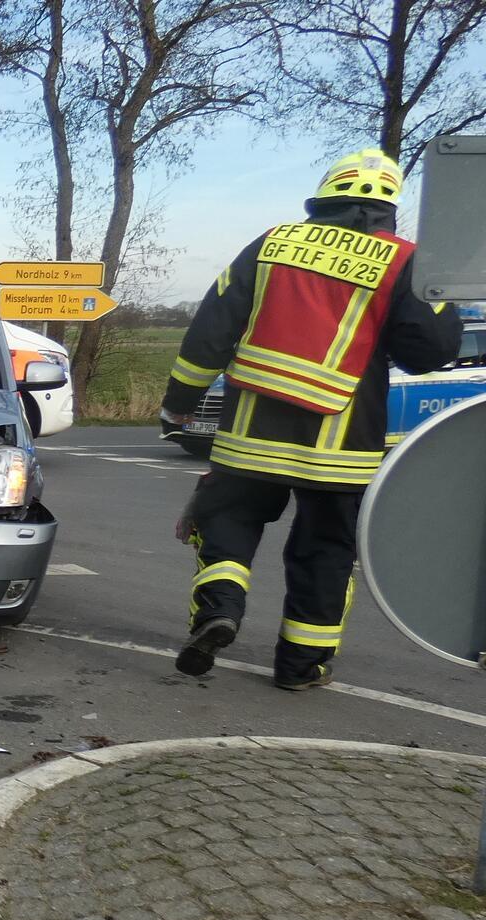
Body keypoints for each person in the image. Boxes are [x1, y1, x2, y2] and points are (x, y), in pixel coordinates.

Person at [161, 149, 459, 690]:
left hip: (250, 433)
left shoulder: (274, 244)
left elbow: (212, 326)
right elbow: (428, 353)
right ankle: (301, 665)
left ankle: (220, 610)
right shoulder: (403, 260)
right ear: (390, 204)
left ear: (326, 192)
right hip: (344, 443)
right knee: (325, 550)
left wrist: (180, 400)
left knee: (226, 523)